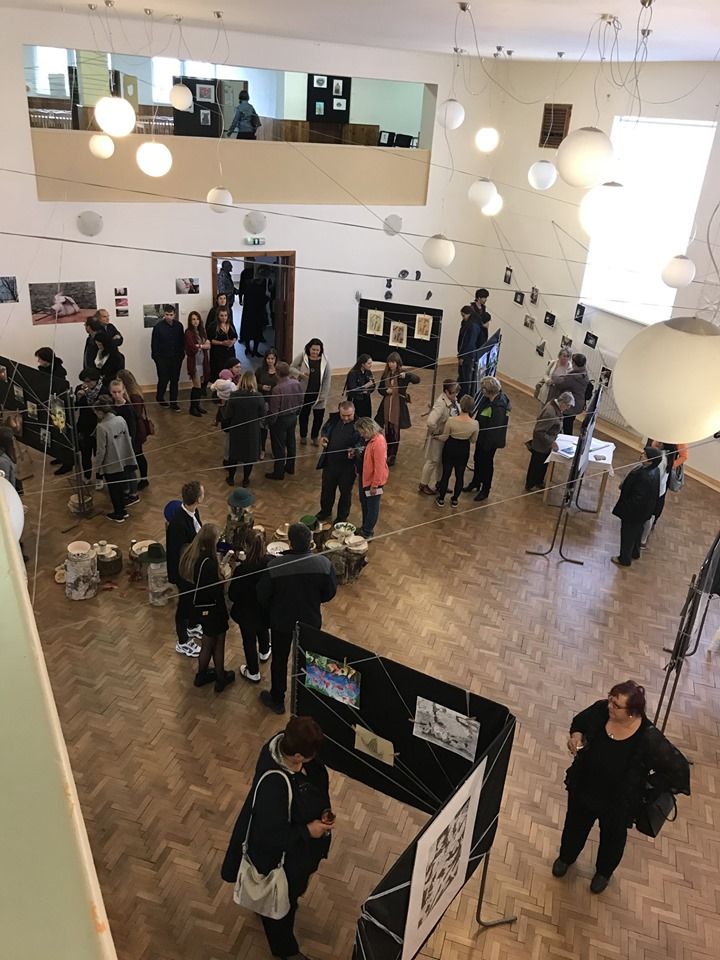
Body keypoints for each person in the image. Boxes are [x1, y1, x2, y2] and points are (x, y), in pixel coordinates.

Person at [553, 681, 690, 894]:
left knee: (612, 838)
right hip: (585, 787)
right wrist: (576, 736)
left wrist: (647, 788)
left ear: (632, 712)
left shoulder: (648, 737)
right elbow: (579, 722)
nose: (610, 706)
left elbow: (678, 770)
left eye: (616, 705)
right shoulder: (601, 710)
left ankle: (603, 873)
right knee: (574, 826)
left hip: (617, 802)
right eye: (610, 699)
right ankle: (566, 857)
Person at [221, 717, 333, 959]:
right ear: (297, 756)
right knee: (281, 908)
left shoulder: (282, 744)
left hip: (299, 854)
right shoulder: (274, 786)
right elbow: (270, 836)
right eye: (311, 754)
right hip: (282, 861)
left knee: (287, 897)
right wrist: (308, 831)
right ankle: (285, 950)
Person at [257, 523, 337, 714]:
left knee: (279, 660)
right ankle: (308, 702)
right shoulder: (324, 564)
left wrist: (275, 607)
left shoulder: (274, 567)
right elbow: (329, 593)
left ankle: (278, 699)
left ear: (290, 542)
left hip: (281, 621)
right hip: (310, 621)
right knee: (310, 660)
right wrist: (313, 601)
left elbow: (262, 595)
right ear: (310, 542)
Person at [179, 523, 235, 692]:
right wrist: (225, 577)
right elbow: (216, 590)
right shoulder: (209, 563)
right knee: (218, 643)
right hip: (214, 609)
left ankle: (201, 675)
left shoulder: (194, 556)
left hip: (201, 608)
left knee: (207, 641)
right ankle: (220, 677)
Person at [166, 480, 204, 657]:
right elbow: (177, 554)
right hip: (184, 572)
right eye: (202, 493)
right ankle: (182, 642)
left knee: (194, 599)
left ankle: (192, 625)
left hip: (193, 568)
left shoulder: (194, 512)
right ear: (197, 498)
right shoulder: (178, 524)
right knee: (184, 605)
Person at [228, 529, 270, 682]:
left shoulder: (242, 570)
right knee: (263, 629)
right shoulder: (269, 563)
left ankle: (253, 671)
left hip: (246, 613)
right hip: (264, 610)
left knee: (249, 641)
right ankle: (264, 651)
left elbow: (232, 595)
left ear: (246, 546)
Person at [611, 446, 662, 567]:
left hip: (634, 512)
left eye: (644, 455)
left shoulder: (645, 476)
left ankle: (624, 559)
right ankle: (635, 552)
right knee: (637, 532)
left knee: (627, 534)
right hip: (644, 512)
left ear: (650, 461)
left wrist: (626, 509)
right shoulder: (655, 470)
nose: (641, 455)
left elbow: (637, 498)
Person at [464, 376, 511, 501]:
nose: (481, 390)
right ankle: (475, 482)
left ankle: (485, 490)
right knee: (477, 459)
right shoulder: (487, 399)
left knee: (486, 465)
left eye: (482, 388)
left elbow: (495, 429)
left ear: (487, 390)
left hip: (490, 442)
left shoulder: (499, 407)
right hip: (482, 437)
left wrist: (486, 445)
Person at [93, 397, 137, 523]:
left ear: (100, 412)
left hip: (111, 464)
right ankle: (123, 510)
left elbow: (101, 450)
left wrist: (97, 466)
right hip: (125, 460)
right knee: (121, 487)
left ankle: (119, 514)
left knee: (114, 490)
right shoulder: (120, 419)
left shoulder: (101, 427)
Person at [375, 352, 420, 467]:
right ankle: (387, 451)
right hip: (386, 405)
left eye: (393, 362)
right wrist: (386, 391)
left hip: (398, 406)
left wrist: (408, 375)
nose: (391, 364)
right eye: (389, 362)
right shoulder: (386, 374)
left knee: (395, 431)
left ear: (398, 362)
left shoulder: (403, 374)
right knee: (388, 429)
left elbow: (417, 380)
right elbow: (380, 389)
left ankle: (393, 455)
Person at [316, 400, 358, 524]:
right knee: (327, 490)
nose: (346, 418)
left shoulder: (359, 425)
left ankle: (341, 517)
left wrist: (355, 450)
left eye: (349, 415)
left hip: (347, 467)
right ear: (339, 411)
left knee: (345, 494)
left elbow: (362, 443)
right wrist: (323, 437)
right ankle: (325, 511)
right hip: (330, 464)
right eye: (343, 415)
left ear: (354, 412)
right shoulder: (333, 419)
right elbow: (325, 430)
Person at [222, 371, 266, 487]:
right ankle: (246, 480)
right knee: (249, 456)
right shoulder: (258, 397)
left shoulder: (234, 395)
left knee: (234, 454)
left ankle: (231, 478)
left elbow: (228, 414)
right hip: (252, 430)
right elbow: (263, 414)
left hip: (237, 429)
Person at [434, 395, 479, 507]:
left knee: (446, 474)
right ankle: (455, 500)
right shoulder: (475, 424)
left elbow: (444, 437)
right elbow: (473, 440)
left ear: (461, 405)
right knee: (460, 475)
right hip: (463, 449)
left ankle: (441, 499)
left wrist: (436, 437)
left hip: (450, 447)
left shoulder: (451, 420)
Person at [525, 390, 574, 492]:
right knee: (536, 466)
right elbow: (539, 431)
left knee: (542, 465)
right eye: (568, 406)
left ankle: (538, 482)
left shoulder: (555, 407)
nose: (568, 408)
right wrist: (551, 442)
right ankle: (531, 485)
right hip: (541, 445)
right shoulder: (550, 412)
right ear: (562, 402)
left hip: (545, 445)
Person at [419, 379, 459, 496]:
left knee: (441, 461)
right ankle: (423, 484)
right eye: (453, 392)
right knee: (432, 461)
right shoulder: (440, 404)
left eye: (457, 392)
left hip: (445, 437)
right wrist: (436, 432)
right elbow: (431, 422)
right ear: (446, 392)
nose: (456, 395)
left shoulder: (453, 400)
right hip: (437, 438)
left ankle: (440, 483)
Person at [265, 361, 304, 481]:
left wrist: (271, 422)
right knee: (291, 443)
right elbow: (301, 400)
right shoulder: (296, 383)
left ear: (277, 373)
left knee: (279, 446)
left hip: (280, 420)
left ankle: (279, 472)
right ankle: (290, 467)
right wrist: (297, 413)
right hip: (293, 417)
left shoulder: (277, 389)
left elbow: (274, 410)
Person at [290, 339, 332, 447]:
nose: (315, 352)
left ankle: (314, 437)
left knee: (318, 418)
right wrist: (300, 374)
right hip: (304, 393)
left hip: (319, 395)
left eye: (317, 350)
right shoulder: (302, 356)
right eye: (313, 349)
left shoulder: (325, 361)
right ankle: (303, 436)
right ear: (309, 348)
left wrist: (323, 394)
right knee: (304, 415)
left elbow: (327, 378)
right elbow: (291, 368)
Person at [355, 417, 389, 539]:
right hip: (364, 477)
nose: (361, 435)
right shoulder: (368, 439)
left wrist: (375, 485)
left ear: (369, 429)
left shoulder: (378, 442)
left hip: (373, 481)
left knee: (372, 506)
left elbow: (379, 467)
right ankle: (365, 526)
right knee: (364, 503)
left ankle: (368, 531)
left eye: (363, 432)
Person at [117, 369, 150, 490]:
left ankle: (143, 479)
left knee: (138, 454)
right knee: (138, 454)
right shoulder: (134, 392)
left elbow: (136, 414)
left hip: (136, 429)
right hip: (135, 428)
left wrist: (125, 402)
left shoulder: (134, 396)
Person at [109, 379, 139, 506]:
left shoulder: (128, 408)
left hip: (126, 443)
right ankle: (125, 490)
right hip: (116, 442)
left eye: (119, 392)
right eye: (114, 392)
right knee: (121, 470)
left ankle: (133, 494)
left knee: (129, 469)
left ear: (123, 391)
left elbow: (132, 428)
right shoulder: (111, 406)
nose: (117, 395)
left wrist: (129, 443)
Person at [151, 305, 185, 410]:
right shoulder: (158, 327)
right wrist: (156, 358)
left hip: (176, 358)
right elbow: (154, 344)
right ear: (164, 314)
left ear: (174, 315)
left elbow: (182, 341)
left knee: (174, 380)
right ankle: (160, 397)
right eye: (167, 315)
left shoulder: (179, 326)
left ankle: (173, 402)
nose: (169, 317)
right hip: (162, 358)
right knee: (163, 379)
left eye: (171, 315)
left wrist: (181, 355)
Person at [549, 353, 590, 435]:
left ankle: (564, 439)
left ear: (574, 363)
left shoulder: (574, 376)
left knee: (566, 425)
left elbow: (561, 384)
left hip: (571, 405)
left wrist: (554, 377)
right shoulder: (584, 373)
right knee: (569, 422)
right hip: (578, 403)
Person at [74, 368, 103, 482]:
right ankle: (87, 475)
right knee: (85, 453)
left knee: (99, 454)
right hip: (84, 425)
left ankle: (100, 477)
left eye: (89, 381)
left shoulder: (103, 390)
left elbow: (103, 409)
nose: (86, 384)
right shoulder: (79, 388)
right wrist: (78, 398)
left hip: (98, 425)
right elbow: (75, 407)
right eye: (84, 381)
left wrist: (88, 396)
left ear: (96, 380)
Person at [185, 310, 210, 417]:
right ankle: (192, 408)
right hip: (194, 363)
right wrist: (202, 346)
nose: (195, 321)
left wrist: (200, 346)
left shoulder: (202, 331)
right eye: (193, 319)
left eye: (197, 319)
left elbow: (208, 345)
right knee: (197, 386)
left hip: (202, 361)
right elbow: (191, 347)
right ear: (190, 321)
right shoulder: (188, 332)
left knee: (200, 385)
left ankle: (197, 406)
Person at [256, 348, 279, 458]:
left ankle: (275, 450)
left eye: (272, 359)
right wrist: (261, 387)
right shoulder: (260, 370)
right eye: (268, 358)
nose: (270, 361)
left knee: (274, 428)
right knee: (262, 428)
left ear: (276, 359)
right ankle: (262, 449)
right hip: (263, 402)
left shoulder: (279, 371)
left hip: (275, 403)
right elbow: (254, 383)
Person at [240, 273, 269, 357]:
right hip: (257, 313)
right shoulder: (259, 288)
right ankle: (254, 350)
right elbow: (263, 300)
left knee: (248, 332)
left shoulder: (248, 287)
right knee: (257, 332)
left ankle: (248, 349)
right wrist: (267, 297)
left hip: (248, 313)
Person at [456, 305, 483, 399]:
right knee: (463, 376)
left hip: (468, 355)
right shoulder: (470, 323)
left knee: (465, 377)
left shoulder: (472, 326)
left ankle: (464, 397)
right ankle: (461, 394)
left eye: (464, 315)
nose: (463, 318)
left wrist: (462, 357)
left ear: (469, 314)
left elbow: (469, 343)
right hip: (467, 354)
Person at [207, 306, 239, 382]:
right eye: (221, 315)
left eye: (225, 315)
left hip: (230, 352)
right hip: (218, 353)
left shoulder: (230, 324)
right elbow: (211, 340)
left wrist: (232, 342)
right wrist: (222, 343)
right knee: (219, 372)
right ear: (218, 316)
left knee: (230, 370)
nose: (224, 318)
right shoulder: (213, 326)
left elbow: (235, 336)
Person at [344, 354, 375, 419]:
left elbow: (373, 386)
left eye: (371, 363)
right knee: (356, 419)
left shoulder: (368, 372)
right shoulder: (353, 373)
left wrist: (368, 389)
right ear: (363, 364)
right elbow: (352, 389)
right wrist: (364, 387)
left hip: (366, 400)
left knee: (367, 418)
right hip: (356, 400)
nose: (371, 365)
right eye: (369, 363)